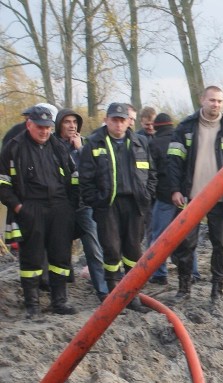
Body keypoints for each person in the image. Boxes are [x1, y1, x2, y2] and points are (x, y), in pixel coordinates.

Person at [168, 85, 223, 302]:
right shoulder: (185, 127)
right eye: (212, 100)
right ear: (202, 100)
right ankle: (184, 289)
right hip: (190, 196)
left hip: (220, 198)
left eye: (220, 101)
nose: (216, 105)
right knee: (185, 244)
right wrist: (175, 190)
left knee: (220, 244)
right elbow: (173, 162)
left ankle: (217, 289)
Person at [78, 102, 157, 312]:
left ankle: (133, 297)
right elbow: (85, 178)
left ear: (127, 122)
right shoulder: (94, 143)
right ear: (106, 120)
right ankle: (114, 298)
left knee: (133, 251)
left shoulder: (139, 142)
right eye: (114, 120)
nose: (118, 124)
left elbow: (151, 173)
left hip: (135, 204)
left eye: (122, 120)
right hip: (108, 206)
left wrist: (147, 195)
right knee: (111, 251)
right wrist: (96, 201)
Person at [0, 105, 78, 318]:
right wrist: (18, 207)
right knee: (31, 259)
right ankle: (32, 305)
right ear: (29, 125)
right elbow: (2, 183)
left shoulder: (59, 147)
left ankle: (59, 301)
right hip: (31, 208)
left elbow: (74, 177)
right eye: (39, 127)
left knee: (61, 257)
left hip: (60, 208)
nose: (44, 131)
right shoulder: (13, 148)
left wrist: (71, 207)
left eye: (48, 127)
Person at [55, 108, 109, 301]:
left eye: (74, 122)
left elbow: (96, 170)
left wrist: (80, 150)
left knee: (94, 249)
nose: (72, 126)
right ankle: (58, 294)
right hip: (61, 206)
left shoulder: (85, 145)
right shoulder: (52, 145)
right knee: (58, 249)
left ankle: (103, 291)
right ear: (59, 124)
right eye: (67, 122)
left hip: (84, 205)